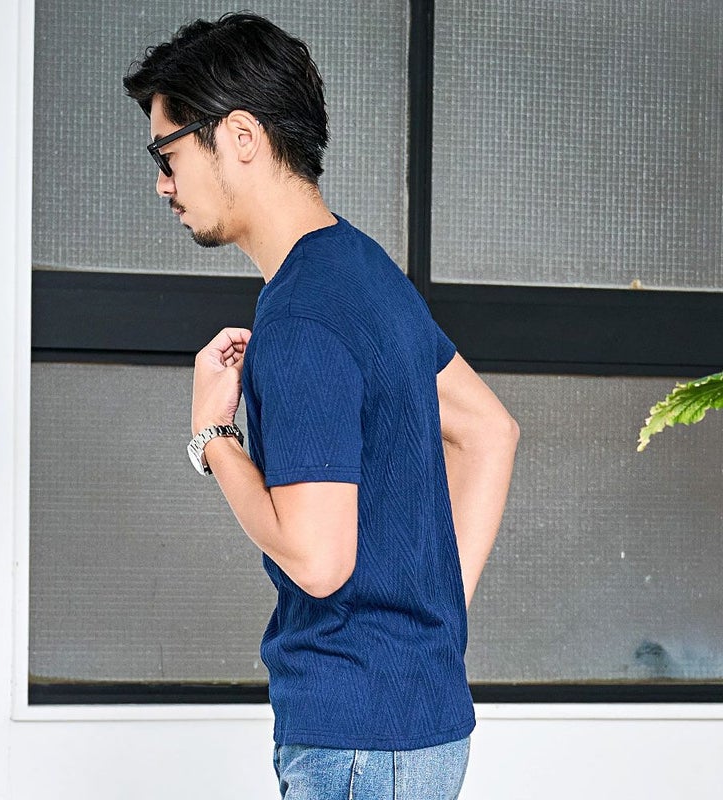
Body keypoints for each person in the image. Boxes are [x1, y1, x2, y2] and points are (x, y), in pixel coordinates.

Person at [124, 12, 518, 799]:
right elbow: (489, 430)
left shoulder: (301, 314)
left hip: (354, 740)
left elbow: (316, 558)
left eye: (167, 154)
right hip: (415, 723)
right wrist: (428, 632)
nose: (163, 183)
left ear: (240, 136)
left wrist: (214, 435)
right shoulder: (363, 268)